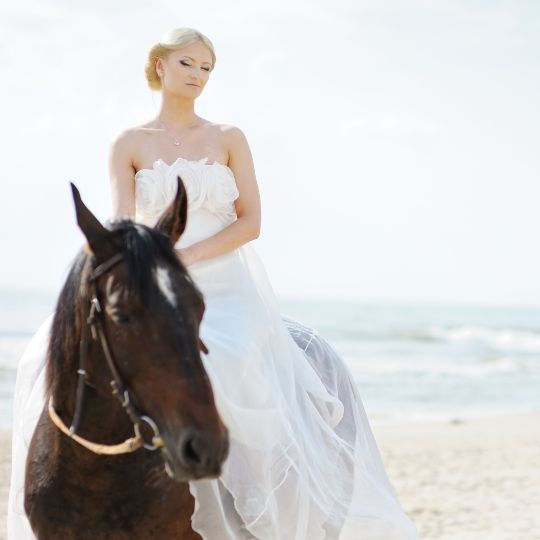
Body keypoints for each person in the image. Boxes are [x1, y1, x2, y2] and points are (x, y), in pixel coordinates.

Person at [8, 27, 420, 540]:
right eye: (188, 64)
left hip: (224, 286)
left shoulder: (228, 137)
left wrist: (183, 256)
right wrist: (146, 266)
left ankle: (237, 510)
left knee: (217, 364)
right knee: (38, 355)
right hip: (153, 283)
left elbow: (251, 221)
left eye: (207, 68)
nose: (198, 76)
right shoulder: (128, 143)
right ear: (160, 66)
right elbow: (122, 223)